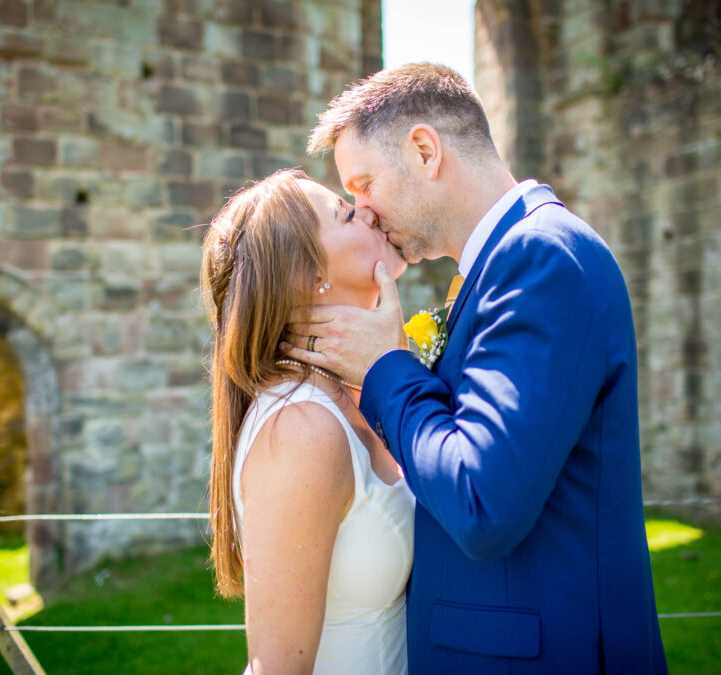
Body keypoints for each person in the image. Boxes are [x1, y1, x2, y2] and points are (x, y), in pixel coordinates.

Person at [283, 63, 668, 673]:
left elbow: (480, 503)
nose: (365, 213)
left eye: (365, 184)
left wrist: (386, 367)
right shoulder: (505, 264)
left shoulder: (539, 258)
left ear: (425, 151)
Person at [200, 168, 415, 674]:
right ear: (307, 275)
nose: (367, 211)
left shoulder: (352, 392)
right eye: (345, 213)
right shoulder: (300, 427)